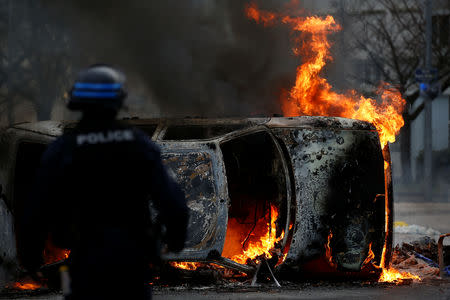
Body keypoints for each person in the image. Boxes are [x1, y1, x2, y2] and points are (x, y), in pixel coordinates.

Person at [18, 64, 189, 299]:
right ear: (118, 102)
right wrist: (175, 241)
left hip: (80, 265)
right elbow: (174, 204)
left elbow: (36, 211)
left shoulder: (63, 149)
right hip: (131, 266)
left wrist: (30, 260)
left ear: (77, 103)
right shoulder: (139, 145)